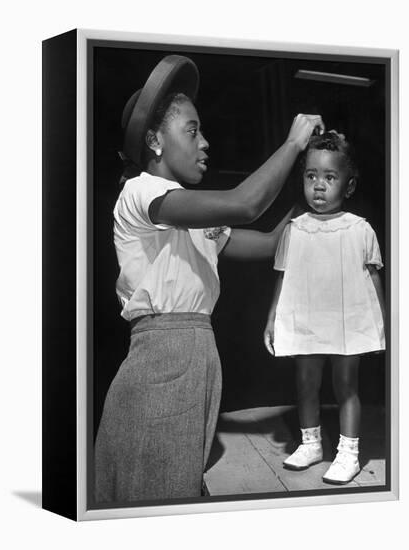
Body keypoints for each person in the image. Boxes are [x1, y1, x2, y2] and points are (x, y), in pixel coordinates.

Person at [94, 54, 325, 503]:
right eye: (192, 130)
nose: (205, 143)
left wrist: (312, 191)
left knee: (175, 493)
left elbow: (273, 242)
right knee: (155, 502)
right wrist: (293, 142)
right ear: (155, 141)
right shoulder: (142, 192)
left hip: (197, 356)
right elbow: (244, 204)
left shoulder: (192, 217)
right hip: (161, 360)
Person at [264, 131, 385, 484]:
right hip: (307, 316)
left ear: (348, 186)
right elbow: (282, 276)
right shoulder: (294, 229)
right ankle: (311, 443)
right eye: (311, 176)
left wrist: (383, 323)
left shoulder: (360, 229)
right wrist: (272, 317)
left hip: (346, 319)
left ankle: (348, 454)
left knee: (346, 383)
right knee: (306, 382)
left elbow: (373, 278)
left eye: (329, 178)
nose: (319, 186)